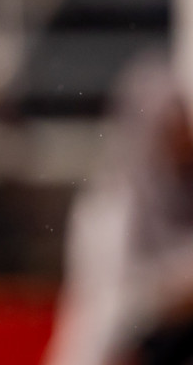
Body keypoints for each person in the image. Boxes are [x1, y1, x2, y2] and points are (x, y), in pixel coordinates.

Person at [45, 56, 193, 365]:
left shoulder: (181, 198)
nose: (184, 138)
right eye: (172, 123)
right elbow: (116, 307)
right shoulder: (109, 209)